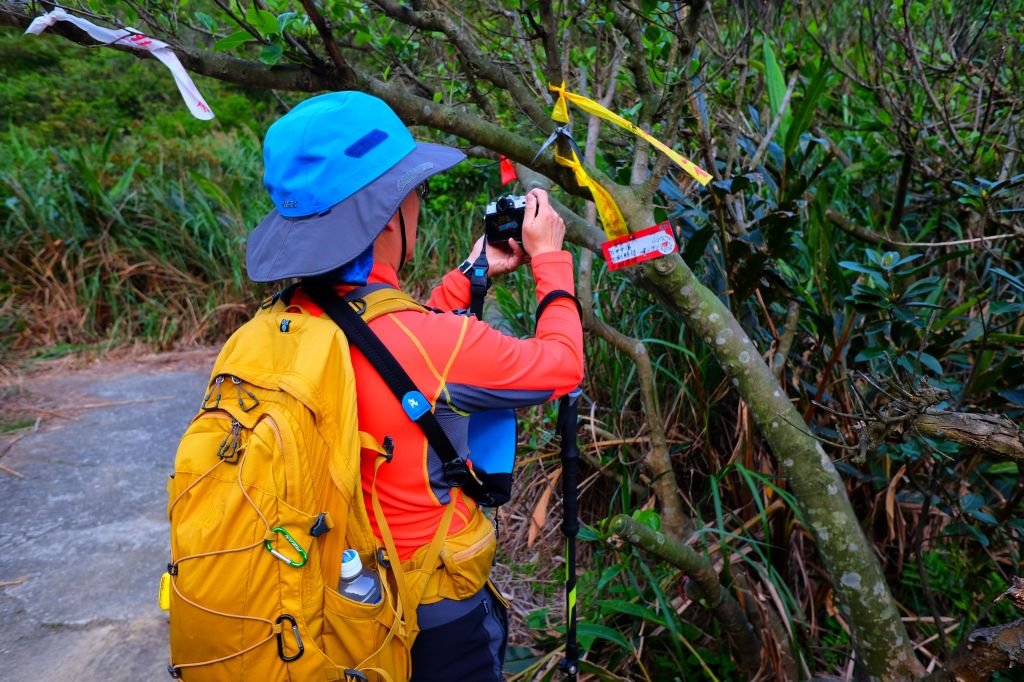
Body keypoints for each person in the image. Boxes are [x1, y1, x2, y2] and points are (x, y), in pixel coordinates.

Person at [245, 91, 584, 682]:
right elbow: (561, 366)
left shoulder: (284, 322)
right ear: (387, 209)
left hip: (332, 600)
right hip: (433, 618)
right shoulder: (431, 344)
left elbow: (387, 352)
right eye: (414, 192)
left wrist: (471, 276)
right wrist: (550, 261)